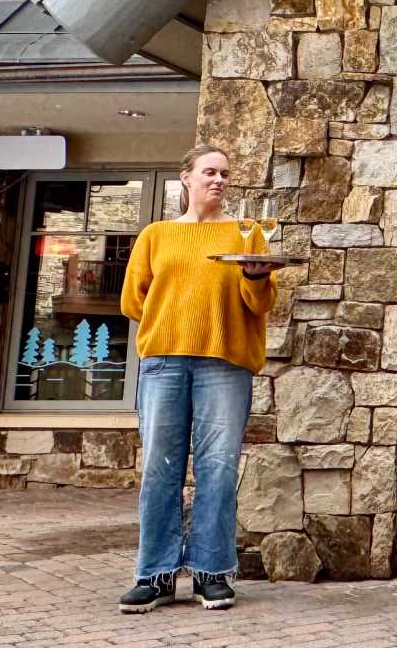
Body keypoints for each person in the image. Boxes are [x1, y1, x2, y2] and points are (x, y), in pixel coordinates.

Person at [117, 145, 287, 613]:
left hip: (224, 364)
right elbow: (133, 301)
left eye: (225, 174)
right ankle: (155, 575)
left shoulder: (245, 234)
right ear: (186, 178)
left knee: (216, 467)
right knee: (159, 468)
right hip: (164, 362)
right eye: (209, 172)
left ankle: (212, 572)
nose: (219, 180)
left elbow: (261, 304)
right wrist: (175, 312)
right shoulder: (156, 235)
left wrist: (253, 280)